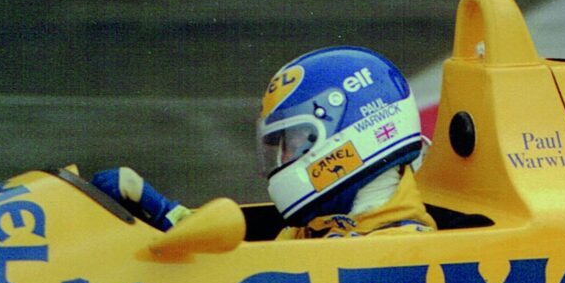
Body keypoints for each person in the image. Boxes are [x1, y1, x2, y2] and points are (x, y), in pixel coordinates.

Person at [91, 46, 436, 239]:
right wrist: (166, 215)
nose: (284, 156)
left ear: (352, 133)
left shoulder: (407, 247)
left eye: (295, 141)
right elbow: (243, 262)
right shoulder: (317, 228)